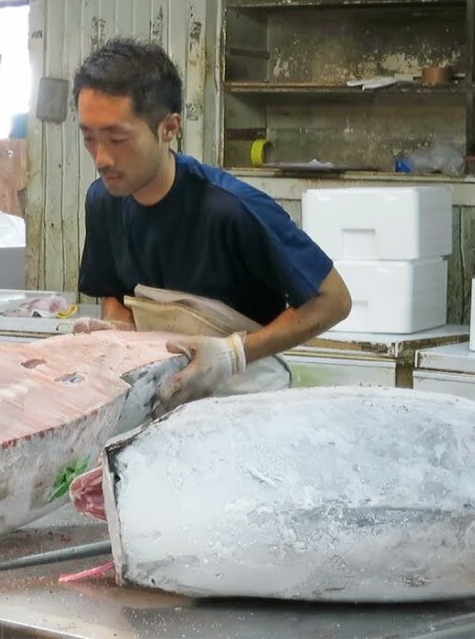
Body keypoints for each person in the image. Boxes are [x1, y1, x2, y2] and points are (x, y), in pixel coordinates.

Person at [71, 38, 352, 411]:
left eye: (118, 139)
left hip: (248, 404)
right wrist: (118, 329)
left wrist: (233, 353)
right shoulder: (103, 201)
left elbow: (334, 300)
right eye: (89, 138)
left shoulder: (233, 209)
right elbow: (113, 291)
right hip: (161, 402)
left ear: (168, 128)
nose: (101, 158)